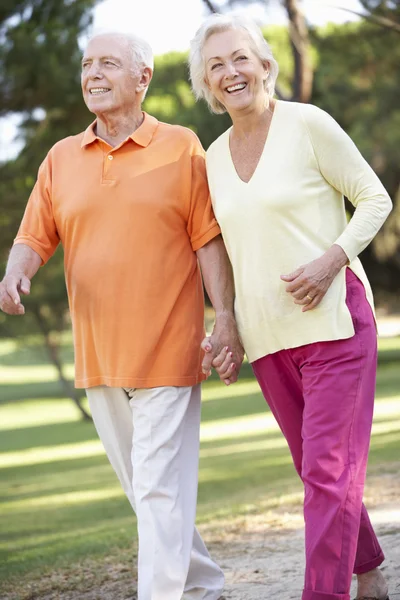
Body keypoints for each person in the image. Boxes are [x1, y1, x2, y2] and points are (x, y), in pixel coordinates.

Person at [0, 31, 244, 600]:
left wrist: (224, 317)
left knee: (157, 486)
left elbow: (209, 243)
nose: (93, 74)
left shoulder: (182, 146)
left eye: (108, 63)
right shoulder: (61, 157)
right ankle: (203, 583)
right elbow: (34, 234)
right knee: (145, 487)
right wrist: (17, 270)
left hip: (168, 345)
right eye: (87, 64)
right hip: (98, 351)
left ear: (143, 78)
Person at [189, 13, 392, 600]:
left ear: (265, 64)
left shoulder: (308, 124)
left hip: (335, 322)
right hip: (267, 337)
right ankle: (370, 567)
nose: (231, 72)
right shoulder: (213, 158)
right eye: (216, 65)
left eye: (240, 58)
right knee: (318, 471)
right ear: (206, 85)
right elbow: (219, 248)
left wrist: (333, 259)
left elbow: (374, 199)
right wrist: (224, 322)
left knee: (328, 472)